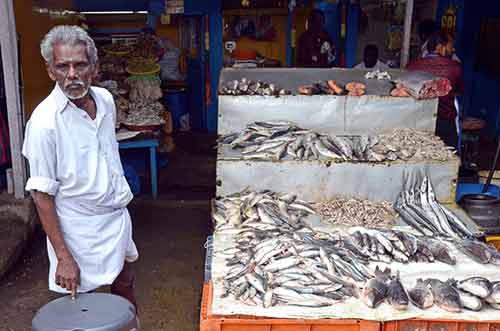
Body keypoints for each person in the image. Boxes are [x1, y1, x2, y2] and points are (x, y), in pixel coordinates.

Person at [22, 26, 139, 311]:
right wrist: (63, 257)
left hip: (115, 218)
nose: (72, 74)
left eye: (80, 64)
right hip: (78, 230)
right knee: (85, 307)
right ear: (51, 71)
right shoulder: (43, 124)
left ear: (94, 67)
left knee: (125, 283)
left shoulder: (106, 101)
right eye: (62, 66)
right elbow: (42, 196)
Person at [407, 31, 463, 148]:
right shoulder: (455, 67)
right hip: (445, 122)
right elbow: (460, 90)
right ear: (440, 47)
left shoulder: (412, 65)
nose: (453, 50)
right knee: (448, 157)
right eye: (450, 46)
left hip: (419, 120)